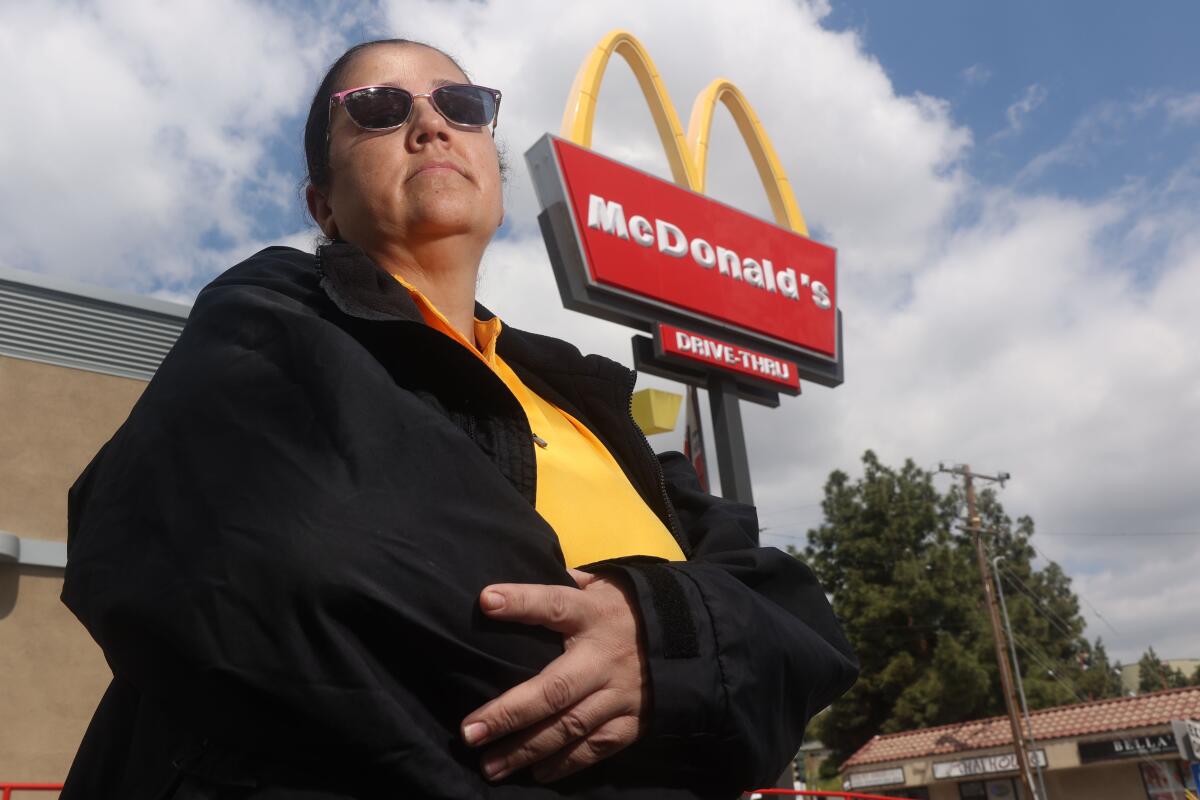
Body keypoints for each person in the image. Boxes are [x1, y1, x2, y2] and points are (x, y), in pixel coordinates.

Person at [60, 38, 857, 799]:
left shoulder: (585, 399)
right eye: (375, 106)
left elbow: (798, 623)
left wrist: (660, 636)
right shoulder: (264, 321)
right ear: (323, 205)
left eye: (462, 103)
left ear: (497, 180)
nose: (430, 122)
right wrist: (687, 687)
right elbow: (280, 575)